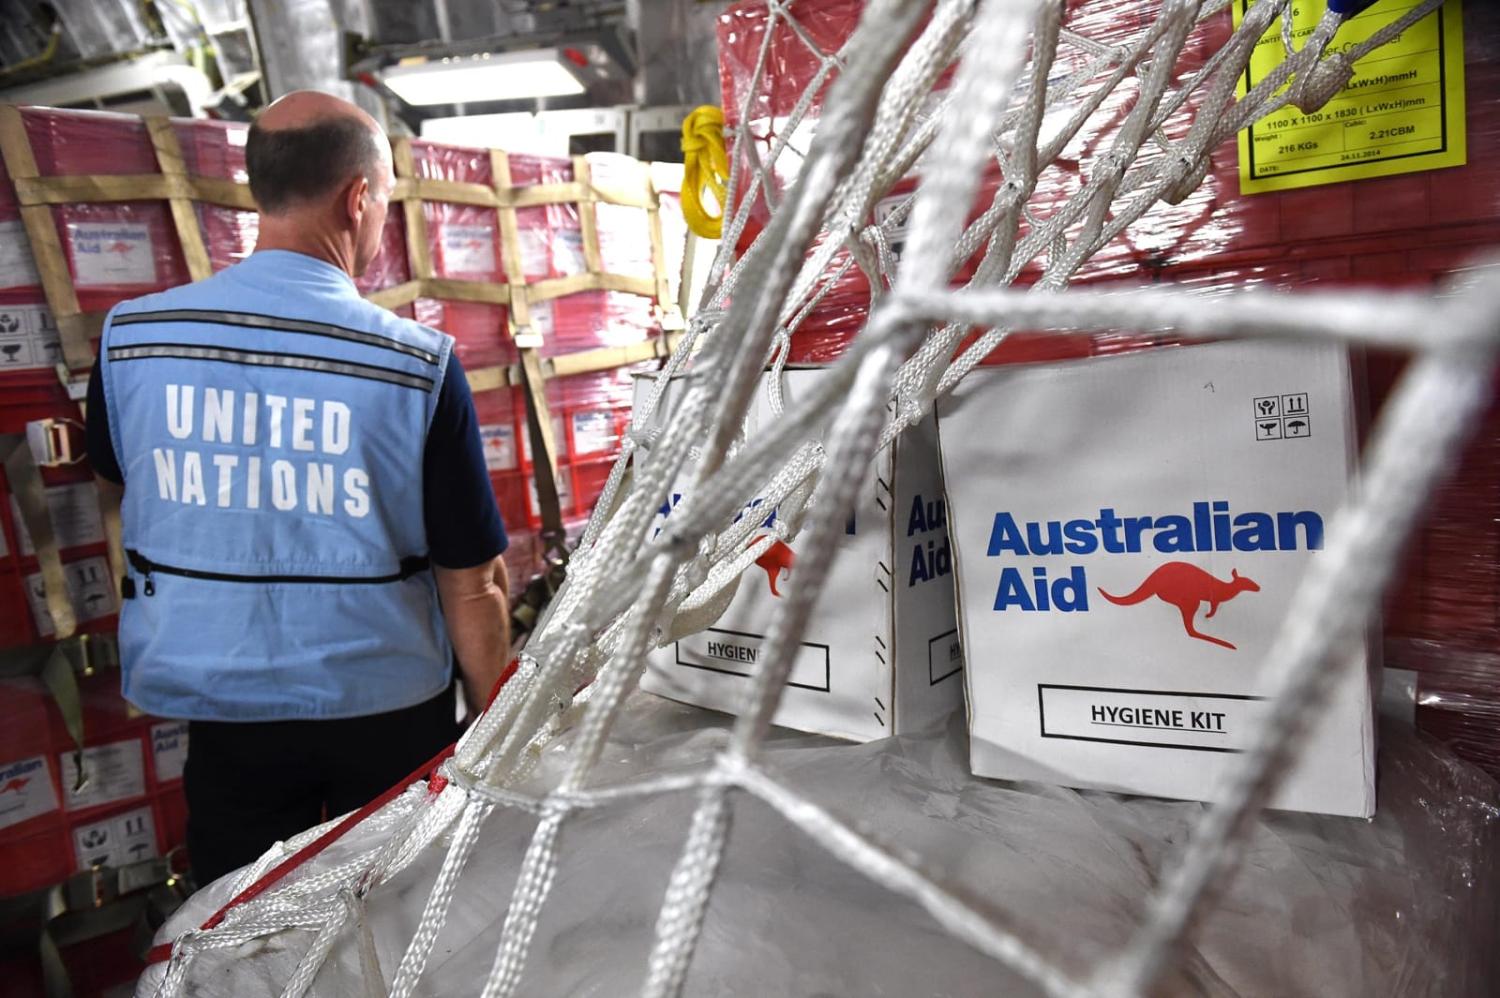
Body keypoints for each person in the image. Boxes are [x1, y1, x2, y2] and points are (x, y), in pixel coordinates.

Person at [84, 91, 511, 885]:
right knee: (401, 913)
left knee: (237, 926)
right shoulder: (416, 363)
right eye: (383, 199)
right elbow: (474, 580)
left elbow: (121, 484)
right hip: (386, 708)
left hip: (220, 703)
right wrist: (501, 720)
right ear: (358, 198)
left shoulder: (132, 339)